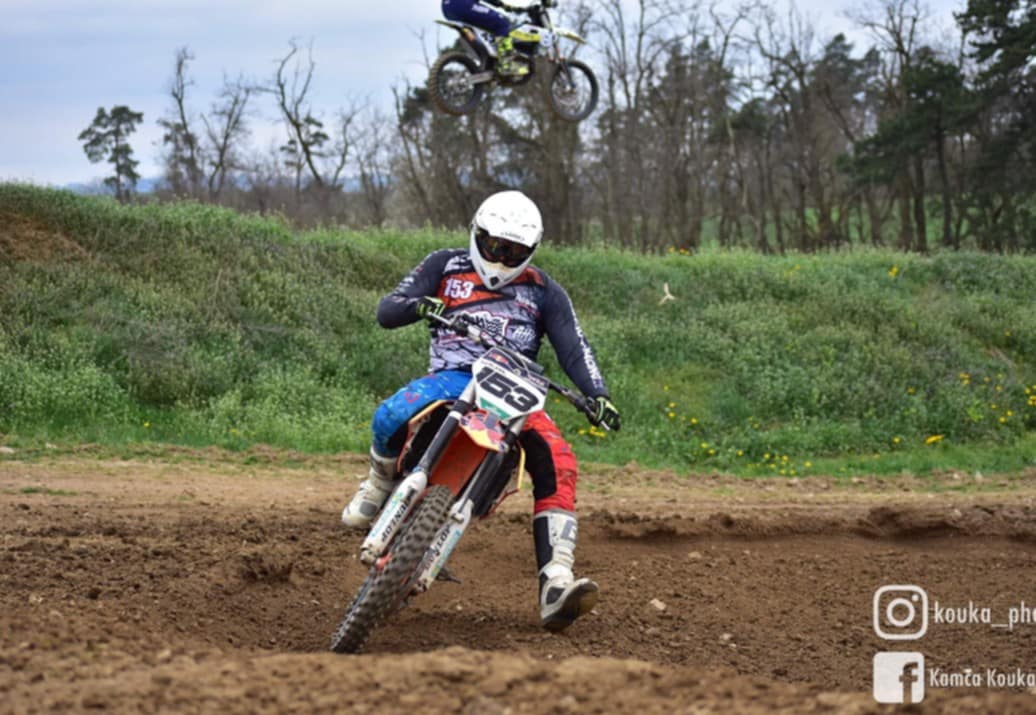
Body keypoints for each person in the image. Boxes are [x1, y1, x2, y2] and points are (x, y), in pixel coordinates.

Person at [341, 189, 620, 631]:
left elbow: (574, 346)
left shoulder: (545, 291)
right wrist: (419, 305)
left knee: (560, 463)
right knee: (392, 412)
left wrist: (597, 393)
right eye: (494, 247)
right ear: (477, 234)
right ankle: (377, 484)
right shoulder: (444, 265)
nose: (502, 260)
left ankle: (555, 582)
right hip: (454, 377)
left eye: (514, 253)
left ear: (531, 251)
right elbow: (388, 310)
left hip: (519, 389)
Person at [441, 0, 551, 77]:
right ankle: (505, 64)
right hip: (462, 4)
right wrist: (503, 5)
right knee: (502, 22)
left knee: (487, 27)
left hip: (447, 7)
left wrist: (502, 5)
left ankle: (489, 59)